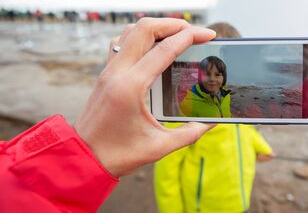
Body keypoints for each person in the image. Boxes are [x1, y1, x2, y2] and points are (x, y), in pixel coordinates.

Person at [0, 18, 217, 212]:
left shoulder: (227, 108)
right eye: (207, 74)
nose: (212, 79)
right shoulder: (184, 115)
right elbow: (167, 179)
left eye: (217, 75)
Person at [154, 22, 274, 213]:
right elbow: (166, 173)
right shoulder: (187, 111)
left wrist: (260, 146)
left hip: (239, 202)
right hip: (203, 206)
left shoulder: (236, 101)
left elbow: (244, 130)